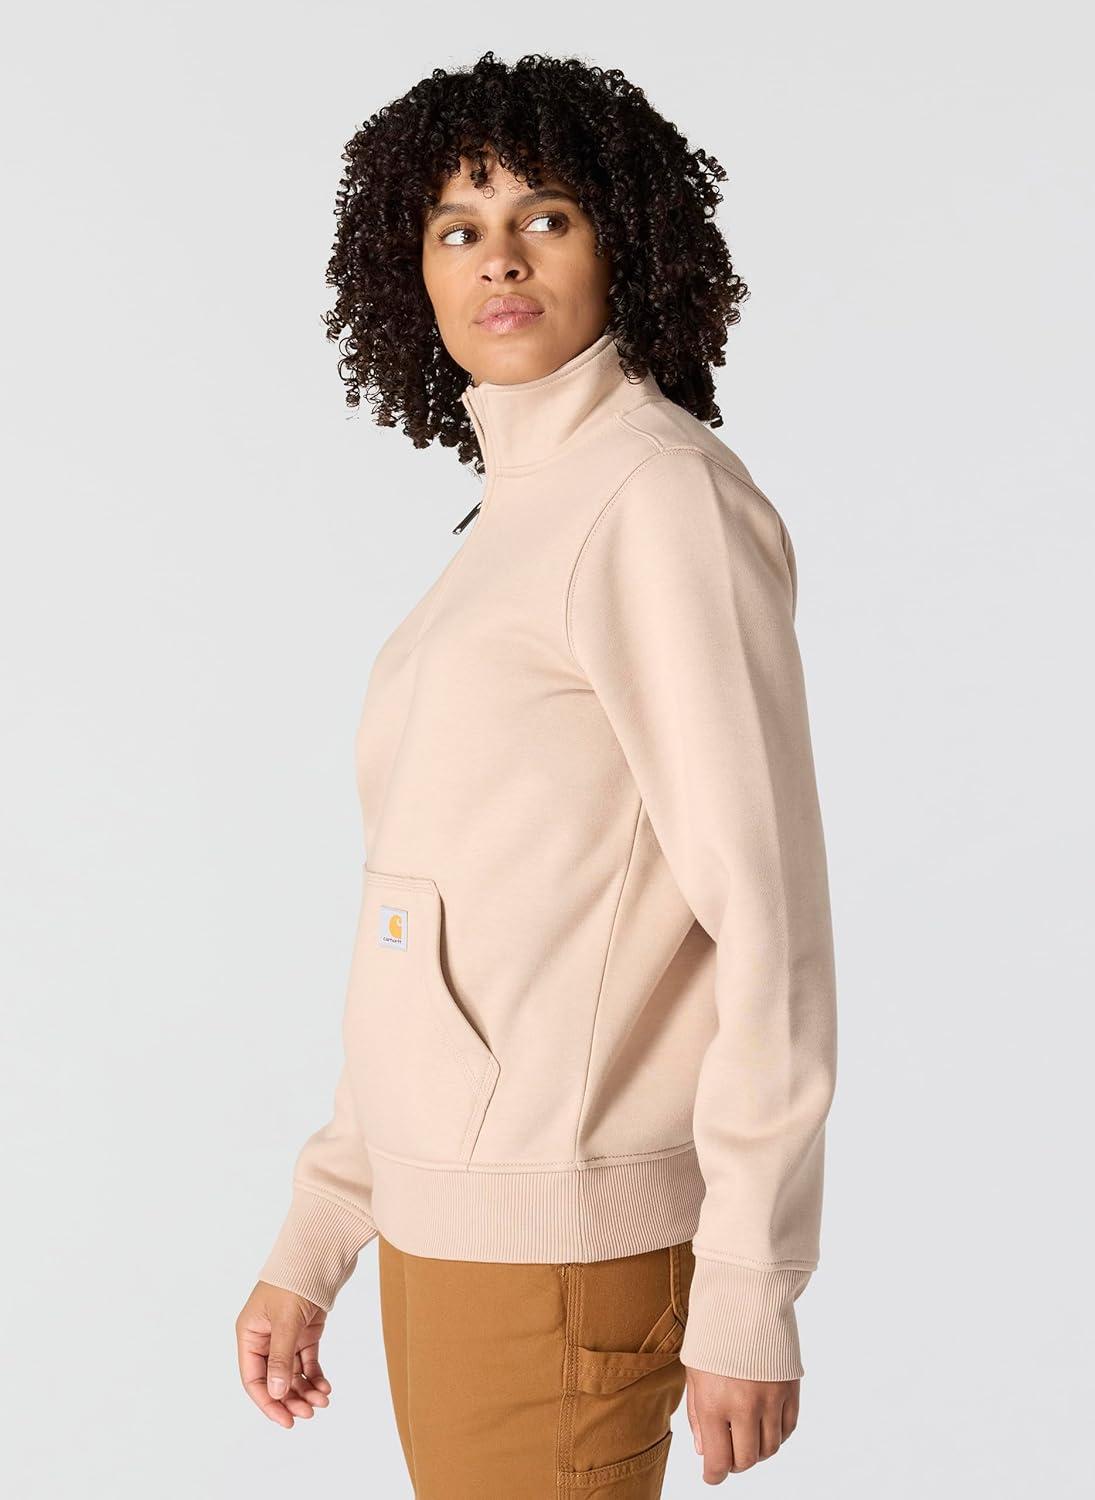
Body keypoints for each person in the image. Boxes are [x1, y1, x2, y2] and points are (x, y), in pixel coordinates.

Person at [234, 50, 838, 1497]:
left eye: (544, 216)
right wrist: (323, 1224)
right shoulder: (518, 515)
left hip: (561, 1241)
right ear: (411, 275)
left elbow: (766, 915)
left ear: (626, 242)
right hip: (453, 1226)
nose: (498, 258)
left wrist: (750, 1283)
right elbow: (430, 913)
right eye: (457, 227)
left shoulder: (655, 498)